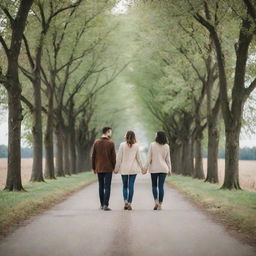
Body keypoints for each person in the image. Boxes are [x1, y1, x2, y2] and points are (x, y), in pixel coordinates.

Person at [114, 131, 144, 210]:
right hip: (133, 169)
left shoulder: (122, 145)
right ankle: (130, 202)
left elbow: (119, 158)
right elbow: (139, 159)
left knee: (125, 186)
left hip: (124, 168)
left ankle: (125, 201)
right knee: (131, 185)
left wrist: (116, 169)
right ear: (134, 137)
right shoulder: (136, 146)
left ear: (126, 136)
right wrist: (143, 169)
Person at [143, 131, 172, 210]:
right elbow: (168, 159)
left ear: (158, 136)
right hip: (163, 169)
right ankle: (160, 204)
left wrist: (144, 168)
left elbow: (149, 158)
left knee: (154, 186)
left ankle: (156, 201)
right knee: (161, 186)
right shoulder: (167, 146)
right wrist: (170, 169)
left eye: (156, 134)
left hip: (154, 168)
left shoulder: (152, 145)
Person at [92, 127, 116, 211]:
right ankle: (106, 204)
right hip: (108, 168)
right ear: (107, 132)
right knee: (107, 187)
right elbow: (113, 157)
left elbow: (93, 156)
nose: (111, 133)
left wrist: (93, 167)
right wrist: (114, 167)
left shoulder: (96, 142)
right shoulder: (111, 143)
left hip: (99, 167)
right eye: (110, 132)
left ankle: (102, 204)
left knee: (101, 186)